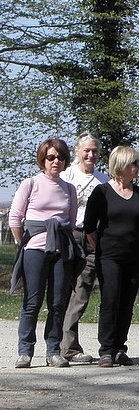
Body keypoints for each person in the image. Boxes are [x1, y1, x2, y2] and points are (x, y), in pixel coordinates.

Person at [9, 138, 81, 368]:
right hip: (35, 251)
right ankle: (25, 351)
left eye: (60, 157)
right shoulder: (30, 184)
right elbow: (15, 218)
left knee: (58, 303)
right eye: (51, 157)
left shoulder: (69, 188)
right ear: (43, 159)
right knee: (32, 302)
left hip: (60, 251)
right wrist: (26, 243)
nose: (56, 161)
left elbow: (69, 222)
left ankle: (53, 350)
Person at [84, 146, 139, 367]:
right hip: (109, 257)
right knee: (110, 300)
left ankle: (120, 347)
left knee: (127, 304)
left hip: (135, 257)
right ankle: (106, 350)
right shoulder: (101, 193)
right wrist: (104, 248)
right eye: (135, 164)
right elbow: (90, 228)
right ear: (122, 165)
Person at [59, 133, 109, 363]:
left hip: (92, 237)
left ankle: (69, 346)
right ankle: (59, 344)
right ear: (77, 151)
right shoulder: (66, 175)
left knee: (82, 290)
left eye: (94, 151)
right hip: (69, 235)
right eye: (86, 151)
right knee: (62, 290)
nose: (90, 155)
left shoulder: (103, 180)